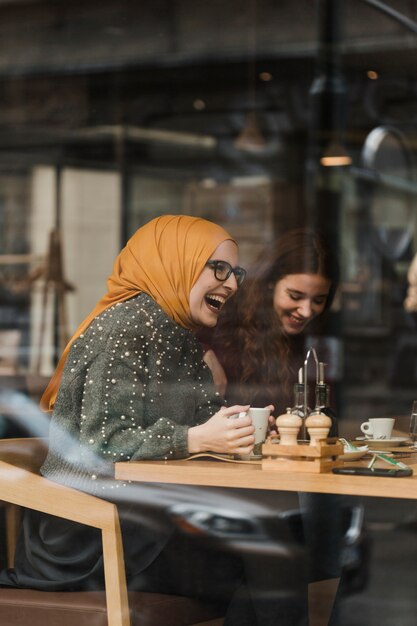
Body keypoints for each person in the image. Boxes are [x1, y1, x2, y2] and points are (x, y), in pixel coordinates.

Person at [0, 214, 268, 620]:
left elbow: (202, 417)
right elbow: (100, 442)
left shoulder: (174, 334)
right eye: (218, 268)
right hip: (88, 535)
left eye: (235, 273)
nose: (231, 284)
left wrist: (245, 426)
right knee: (269, 554)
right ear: (173, 261)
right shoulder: (125, 328)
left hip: (141, 521)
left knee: (282, 545)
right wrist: (195, 440)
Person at [198, 228, 339, 414]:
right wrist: (202, 351)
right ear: (270, 283)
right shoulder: (227, 318)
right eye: (295, 296)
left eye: (318, 300)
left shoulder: (315, 337)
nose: (306, 311)